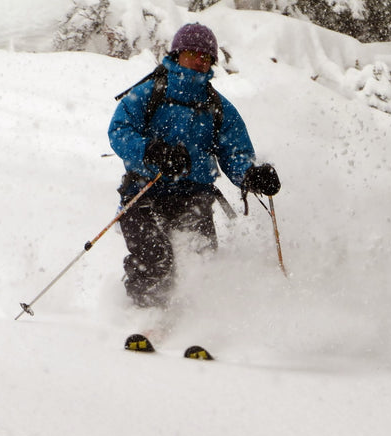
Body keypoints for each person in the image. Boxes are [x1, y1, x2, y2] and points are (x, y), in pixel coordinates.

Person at [108, 22, 281, 308]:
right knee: (155, 257)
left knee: (200, 262)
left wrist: (251, 175)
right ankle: (145, 316)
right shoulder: (148, 93)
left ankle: (193, 323)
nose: (201, 61)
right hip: (143, 193)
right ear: (177, 54)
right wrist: (153, 152)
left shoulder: (218, 106)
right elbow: (120, 131)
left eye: (207, 57)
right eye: (194, 53)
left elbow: (235, 152)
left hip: (193, 196)